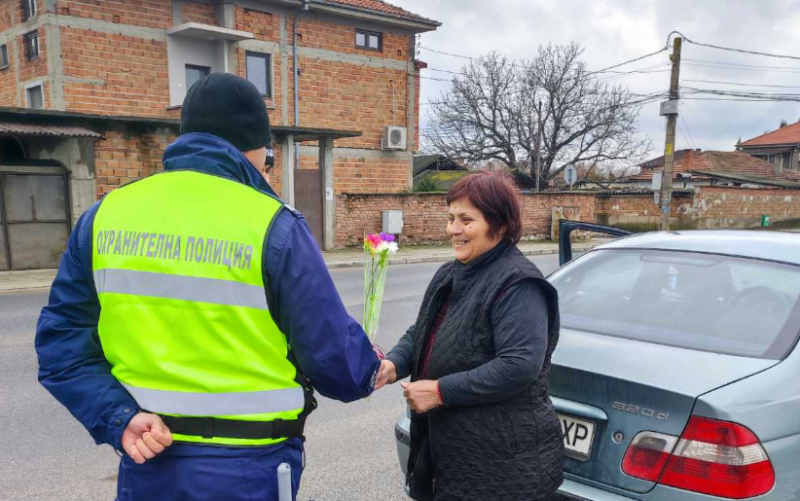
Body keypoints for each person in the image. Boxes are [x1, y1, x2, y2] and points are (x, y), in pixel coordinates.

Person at [35, 73, 381, 501]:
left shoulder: (105, 215)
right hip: (250, 467)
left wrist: (118, 417)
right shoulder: (273, 224)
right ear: (257, 149)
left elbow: (61, 345)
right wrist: (368, 369)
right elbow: (332, 356)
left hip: (149, 459)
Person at [375, 171, 564, 501]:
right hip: (453, 454)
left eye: (466, 220)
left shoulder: (518, 284)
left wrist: (440, 391)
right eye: (450, 218)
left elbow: (520, 364)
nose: (453, 229)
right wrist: (392, 364)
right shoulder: (451, 273)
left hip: (501, 465)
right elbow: (422, 331)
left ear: (500, 225)